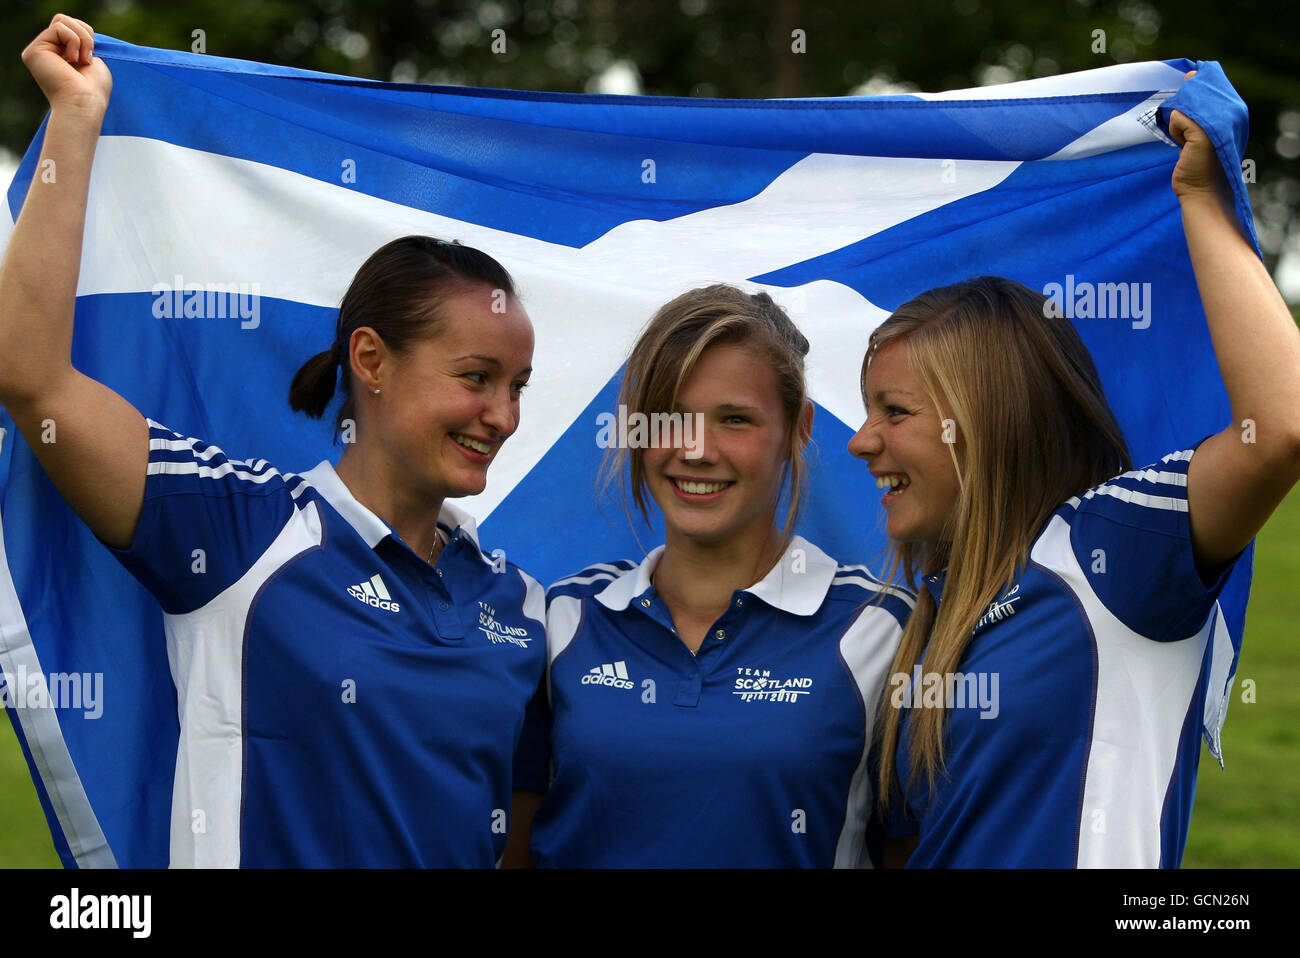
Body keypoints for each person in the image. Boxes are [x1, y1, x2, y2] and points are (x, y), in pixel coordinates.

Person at [0, 14, 547, 867]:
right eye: (476, 379)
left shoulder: (520, 605)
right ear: (371, 359)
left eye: (517, 389)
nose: (503, 417)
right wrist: (76, 117)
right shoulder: (232, 529)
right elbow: (31, 376)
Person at [847, 91, 1300, 867]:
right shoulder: (923, 615)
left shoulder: (1113, 551)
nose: (860, 442)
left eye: (894, 412)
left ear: (986, 421)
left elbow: (1280, 429)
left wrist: (1201, 199)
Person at [524, 284, 913, 867]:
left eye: (734, 419)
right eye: (672, 419)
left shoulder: (881, 628)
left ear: (799, 428)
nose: (697, 451)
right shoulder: (562, 617)